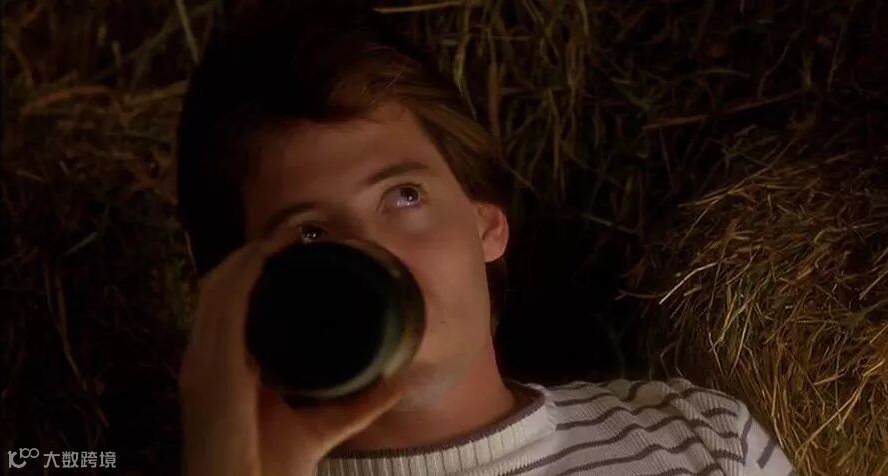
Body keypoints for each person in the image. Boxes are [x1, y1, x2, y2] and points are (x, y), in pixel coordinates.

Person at [175, 2, 796, 475]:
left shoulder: (702, 438)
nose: (374, 256)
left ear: (487, 225)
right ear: (244, 302)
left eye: (404, 196)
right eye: (311, 235)